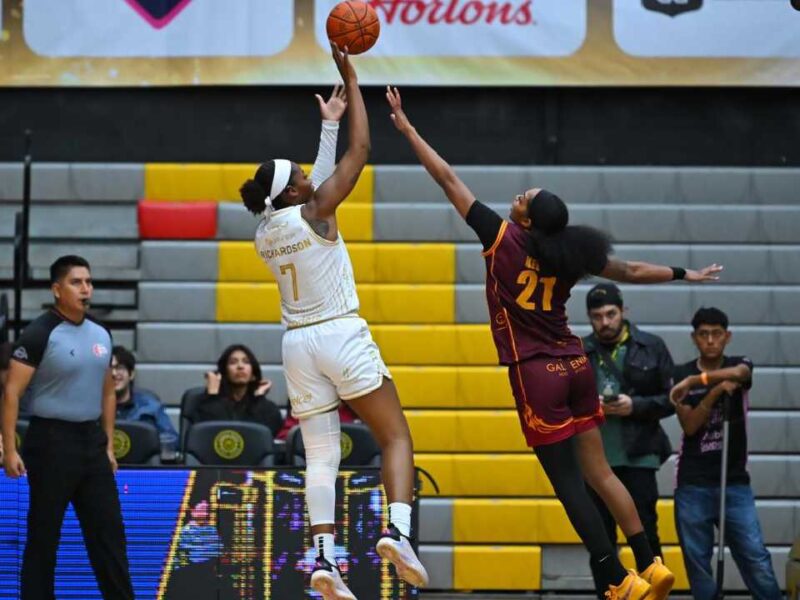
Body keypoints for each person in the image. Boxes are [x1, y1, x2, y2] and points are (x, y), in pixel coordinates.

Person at [386, 86, 723, 600]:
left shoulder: (501, 237)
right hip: (576, 362)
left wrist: (407, 128)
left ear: (525, 219)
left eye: (525, 197)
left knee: (569, 484)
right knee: (600, 471)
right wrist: (685, 273)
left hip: (536, 370)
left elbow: (447, 177)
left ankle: (615, 578)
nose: (520, 194)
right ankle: (651, 563)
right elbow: (630, 269)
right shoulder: (570, 253)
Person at [239, 45, 428, 599]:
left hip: (297, 345)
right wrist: (352, 75)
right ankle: (398, 531)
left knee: (320, 455)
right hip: (340, 332)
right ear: (296, 192)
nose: (307, 173)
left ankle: (323, 559)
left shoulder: (266, 231)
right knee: (395, 436)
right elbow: (362, 149)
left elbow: (309, 183)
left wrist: (326, 128)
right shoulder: (316, 211)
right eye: (300, 174)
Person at [1, 255, 134, 600]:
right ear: (57, 289)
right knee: (44, 537)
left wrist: (106, 445)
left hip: (90, 441)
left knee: (109, 534)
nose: (86, 289)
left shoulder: (101, 334)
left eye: (88, 282)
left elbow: (107, 390)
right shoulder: (38, 333)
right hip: (50, 440)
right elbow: (11, 392)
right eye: (77, 282)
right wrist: (10, 449)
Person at [670, 308, 782, 600]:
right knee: (698, 564)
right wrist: (716, 391)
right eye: (704, 334)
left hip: (734, 481)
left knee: (755, 556)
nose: (710, 340)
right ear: (695, 338)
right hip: (693, 482)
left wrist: (698, 382)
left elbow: (741, 374)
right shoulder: (679, 374)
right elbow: (691, 426)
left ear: (727, 336)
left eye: (717, 334)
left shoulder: (738, 364)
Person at [582, 283, 675, 595]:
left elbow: (672, 399)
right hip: (595, 460)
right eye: (597, 316)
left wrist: (636, 406)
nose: (605, 322)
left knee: (646, 535)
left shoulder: (652, 346)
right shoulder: (578, 352)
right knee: (601, 544)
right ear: (589, 318)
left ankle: (653, 594)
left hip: (639, 456)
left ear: (624, 311)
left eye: (611, 314)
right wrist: (588, 405)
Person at [187, 343, 283, 438]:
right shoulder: (204, 404)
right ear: (224, 372)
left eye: (246, 362)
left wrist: (258, 397)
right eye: (233, 362)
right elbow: (210, 434)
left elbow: (259, 437)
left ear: (253, 374)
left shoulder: (268, 408)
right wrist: (212, 396)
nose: (240, 366)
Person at [112, 345, 179, 453]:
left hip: (142, 466)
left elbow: (172, 439)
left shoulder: (151, 407)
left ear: (131, 374)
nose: (114, 374)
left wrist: (146, 442)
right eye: (110, 369)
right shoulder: (93, 409)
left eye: (120, 368)